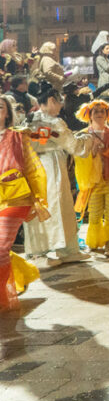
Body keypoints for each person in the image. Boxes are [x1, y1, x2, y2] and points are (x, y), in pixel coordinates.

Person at [22, 88, 91, 266]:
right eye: (59, 101)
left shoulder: (29, 119)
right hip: (51, 167)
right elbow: (73, 145)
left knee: (40, 207)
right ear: (52, 100)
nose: (61, 105)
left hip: (32, 167)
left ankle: (48, 251)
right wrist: (88, 139)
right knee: (59, 205)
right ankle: (57, 251)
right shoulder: (54, 122)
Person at [0, 95, 49, 311]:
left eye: (0, 107)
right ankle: (22, 272)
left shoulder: (18, 136)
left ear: (7, 113)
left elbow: (32, 166)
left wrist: (37, 198)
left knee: (1, 247)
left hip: (17, 196)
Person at [74, 99, 109, 256]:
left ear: (107, 114)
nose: (98, 114)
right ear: (88, 115)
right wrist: (93, 152)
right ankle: (95, 242)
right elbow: (78, 158)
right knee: (95, 214)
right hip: (94, 182)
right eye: (95, 112)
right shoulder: (83, 135)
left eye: (101, 111)